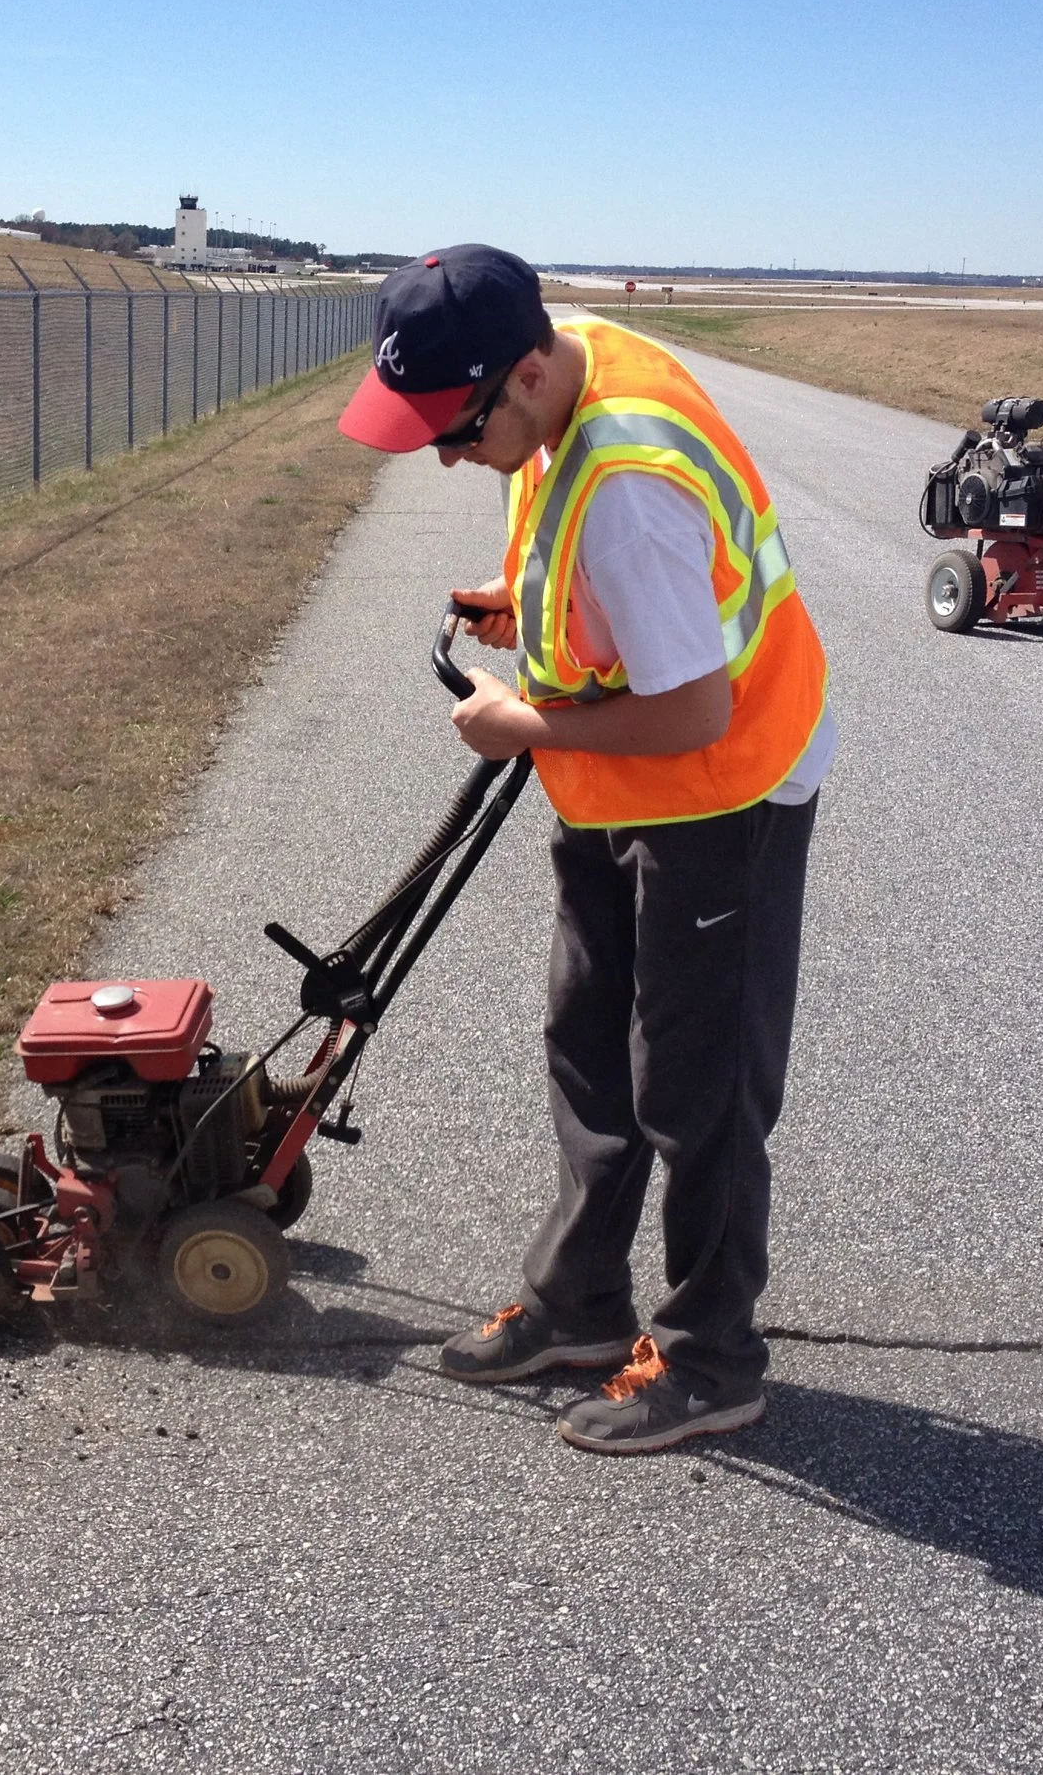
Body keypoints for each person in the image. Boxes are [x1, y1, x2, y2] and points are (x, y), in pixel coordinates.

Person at [337, 247, 835, 1455]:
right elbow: (585, 555)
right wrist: (533, 602)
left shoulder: (628, 492)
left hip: (722, 789)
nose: (447, 457)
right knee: (586, 1039)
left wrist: (522, 723)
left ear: (517, 376)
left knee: (697, 1090)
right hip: (617, 784)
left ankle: (713, 1360)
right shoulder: (568, 373)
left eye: (453, 431)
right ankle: (582, 1305)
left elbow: (692, 712)